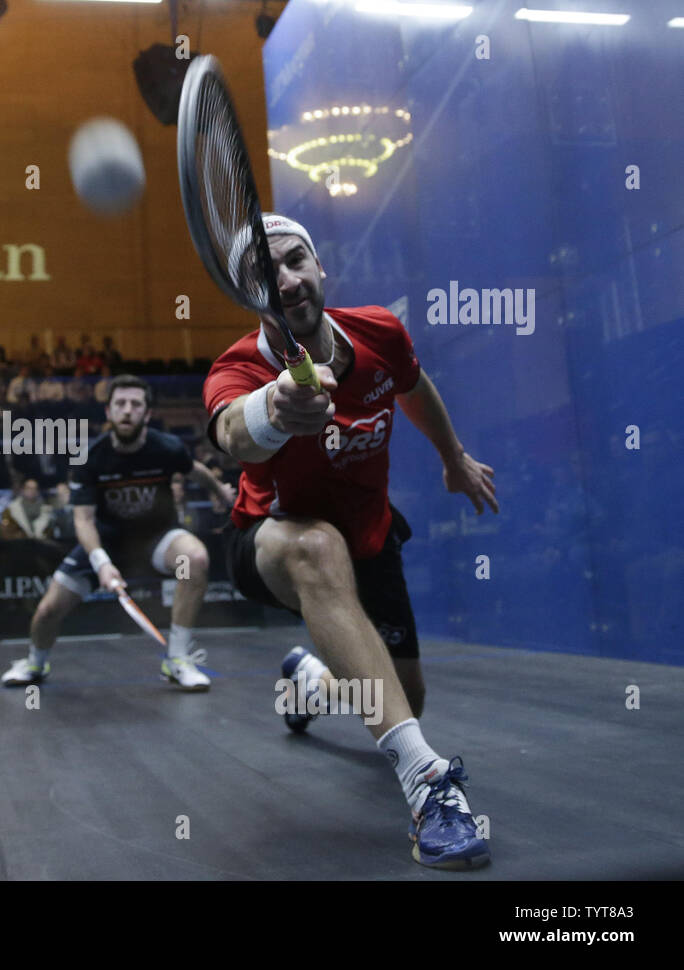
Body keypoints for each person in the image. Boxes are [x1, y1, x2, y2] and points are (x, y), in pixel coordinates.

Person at [203, 213, 499, 869]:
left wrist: (452, 457)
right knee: (317, 551)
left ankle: (309, 682)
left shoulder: (380, 331)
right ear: (245, 293)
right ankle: (428, 789)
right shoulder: (238, 369)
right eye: (262, 272)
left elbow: (414, 387)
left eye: (294, 260)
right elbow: (231, 432)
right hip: (272, 543)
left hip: (370, 539)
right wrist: (273, 409)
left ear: (318, 268)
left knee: (402, 696)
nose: (284, 280)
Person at [1, 375, 235, 692]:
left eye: (136, 404)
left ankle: (177, 659)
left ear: (147, 414)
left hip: (156, 538)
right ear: (108, 412)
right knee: (47, 611)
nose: (128, 411)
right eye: (120, 404)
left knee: (194, 558)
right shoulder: (90, 458)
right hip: (105, 542)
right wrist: (101, 563)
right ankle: (35, 663)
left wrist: (221, 492)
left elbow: (194, 470)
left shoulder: (166, 447)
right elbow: (83, 520)